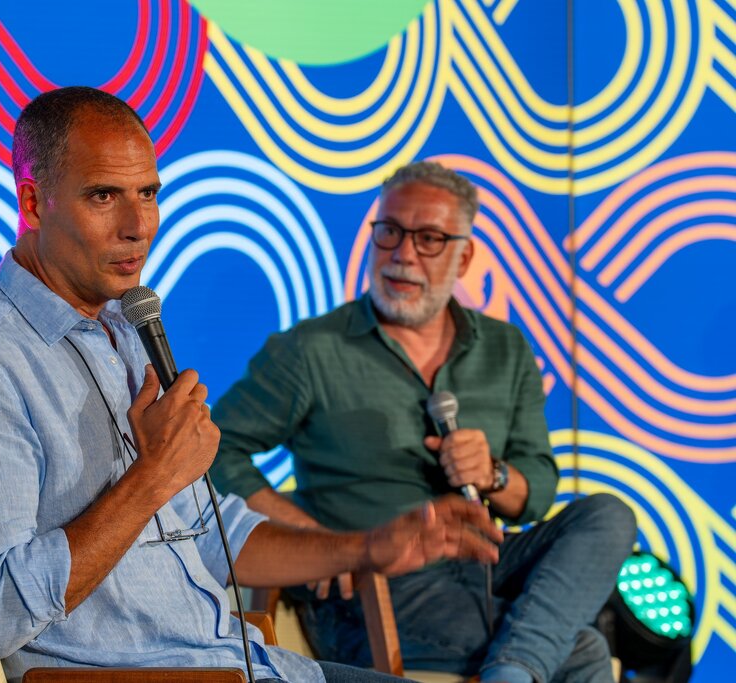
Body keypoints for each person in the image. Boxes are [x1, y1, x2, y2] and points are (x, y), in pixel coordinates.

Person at [0, 89, 503, 683]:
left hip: (252, 667)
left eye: (148, 195)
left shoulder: (122, 328)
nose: (138, 226)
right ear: (32, 202)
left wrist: (367, 547)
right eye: (103, 196)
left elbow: (210, 532)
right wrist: (152, 476)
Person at [209, 161, 637, 683]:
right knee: (583, 649)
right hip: (377, 579)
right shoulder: (313, 349)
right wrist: (311, 539)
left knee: (609, 515)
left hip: (483, 566)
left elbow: (538, 489)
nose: (403, 254)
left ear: (464, 256)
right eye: (389, 232)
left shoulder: (505, 348)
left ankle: (513, 667)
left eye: (429, 238)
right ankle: (516, 668)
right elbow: (213, 450)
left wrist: (494, 475)